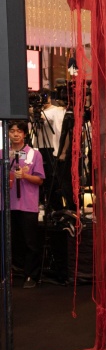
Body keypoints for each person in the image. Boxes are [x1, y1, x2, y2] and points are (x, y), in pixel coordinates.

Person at [0, 121, 45, 288]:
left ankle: (31, 275)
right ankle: (7, 274)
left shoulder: (34, 154)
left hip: (27, 204)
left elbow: (40, 180)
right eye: (12, 131)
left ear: (25, 134)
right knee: (7, 241)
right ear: (7, 134)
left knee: (30, 242)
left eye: (19, 131)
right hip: (6, 204)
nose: (15, 134)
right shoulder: (2, 153)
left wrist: (25, 176)